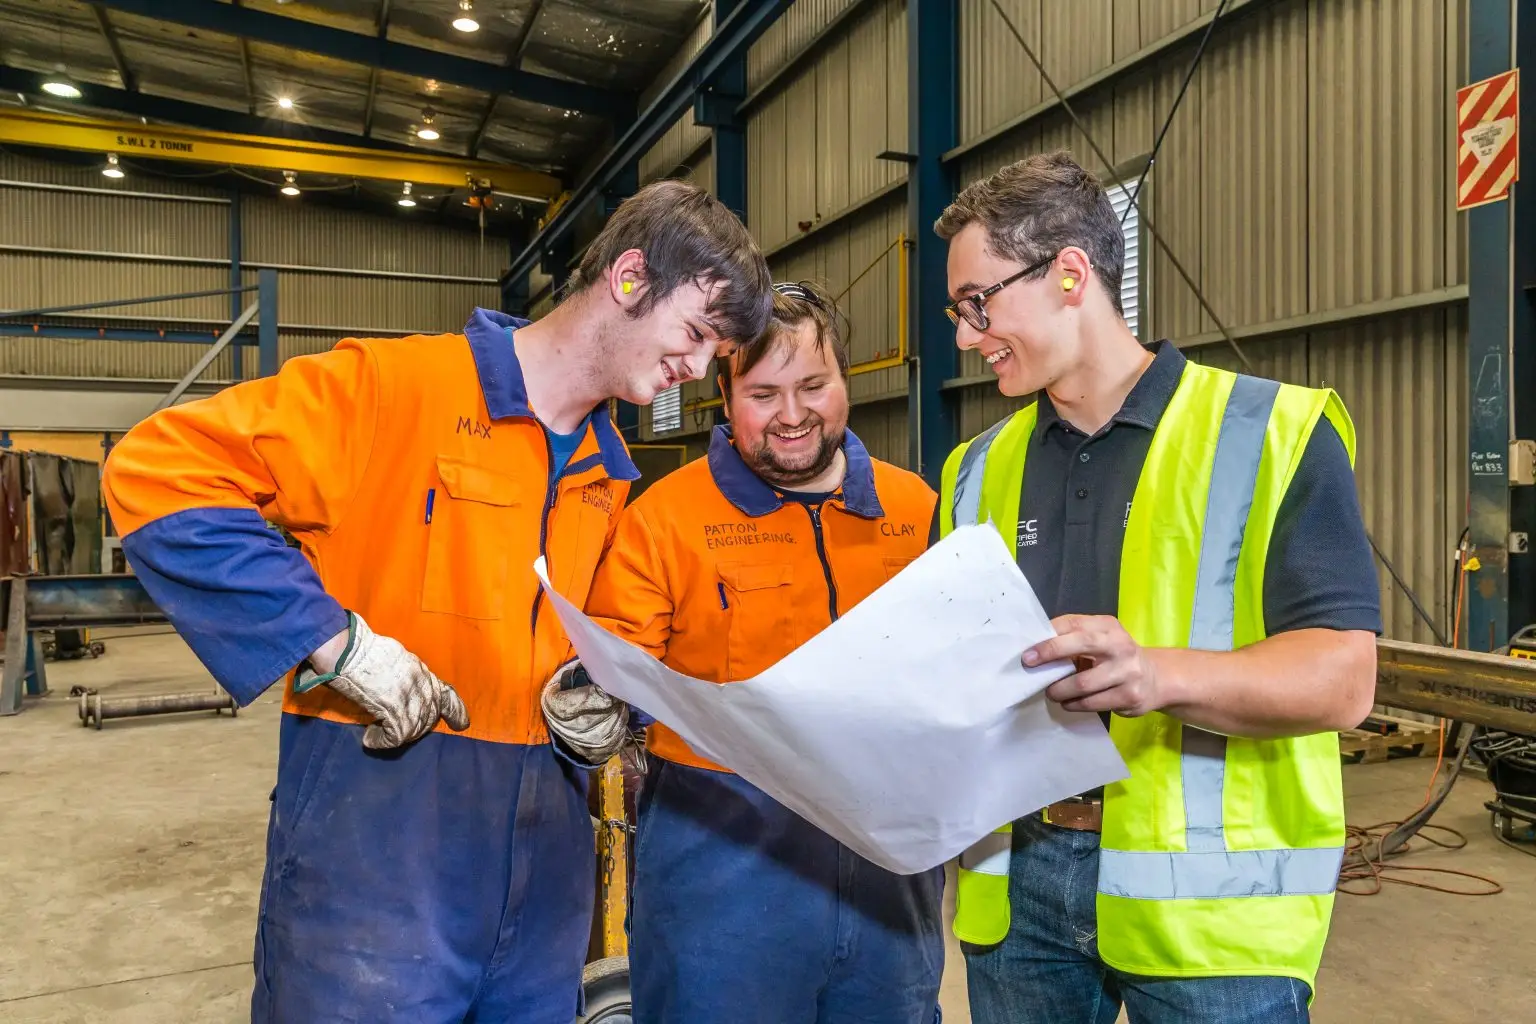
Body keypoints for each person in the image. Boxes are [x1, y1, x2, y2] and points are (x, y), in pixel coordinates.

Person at [100, 179, 773, 1023]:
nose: (701, 368)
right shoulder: (393, 390)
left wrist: (596, 705)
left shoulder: (610, 476)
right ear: (630, 278)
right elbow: (156, 470)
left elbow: (579, 644)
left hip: (545, 885)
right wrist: (331, 642)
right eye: (698, 332)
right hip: (377, 858)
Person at [933, 152, 1380, 1023]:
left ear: (1069, 274)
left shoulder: (1275, 431)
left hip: (1216, 917)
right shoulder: (974, 470)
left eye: (977, 303)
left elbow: (1344, 680)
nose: (964, 335)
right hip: (1013, 892)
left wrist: (1155, 677)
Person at [554, 282, 945, 1024]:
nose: (793, 416)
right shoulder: (663, 522)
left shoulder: (917, 510)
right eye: (764, 393)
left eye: (813, 386)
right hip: (723, 875)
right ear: (724, 395)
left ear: (846, 382)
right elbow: (613, 673)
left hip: (889, 871)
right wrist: (587, 700)